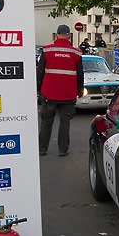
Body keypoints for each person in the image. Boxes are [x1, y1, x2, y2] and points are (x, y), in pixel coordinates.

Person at [37, 24, 84, 157]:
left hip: (48, 93)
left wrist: (38, 90)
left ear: (56, 35)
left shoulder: (46, 50)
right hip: (68, 95)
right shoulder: (76, 53)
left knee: (46, 122)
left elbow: (40, 72)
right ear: (69, 35)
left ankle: (42, 149)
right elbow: (80, 74)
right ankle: (63, 150)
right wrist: (80, 91)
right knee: (65, 123)